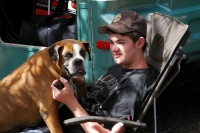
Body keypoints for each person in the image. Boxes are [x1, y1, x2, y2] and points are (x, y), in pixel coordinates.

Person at [51, 10, 156, 133]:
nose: (114, 49)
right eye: (111, 42)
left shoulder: (135, 84)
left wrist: (70, 101)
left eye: (121, 42)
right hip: (60, 119)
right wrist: (80, 86)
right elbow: (93, 104)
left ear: (140, 43)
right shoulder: (120, 67)